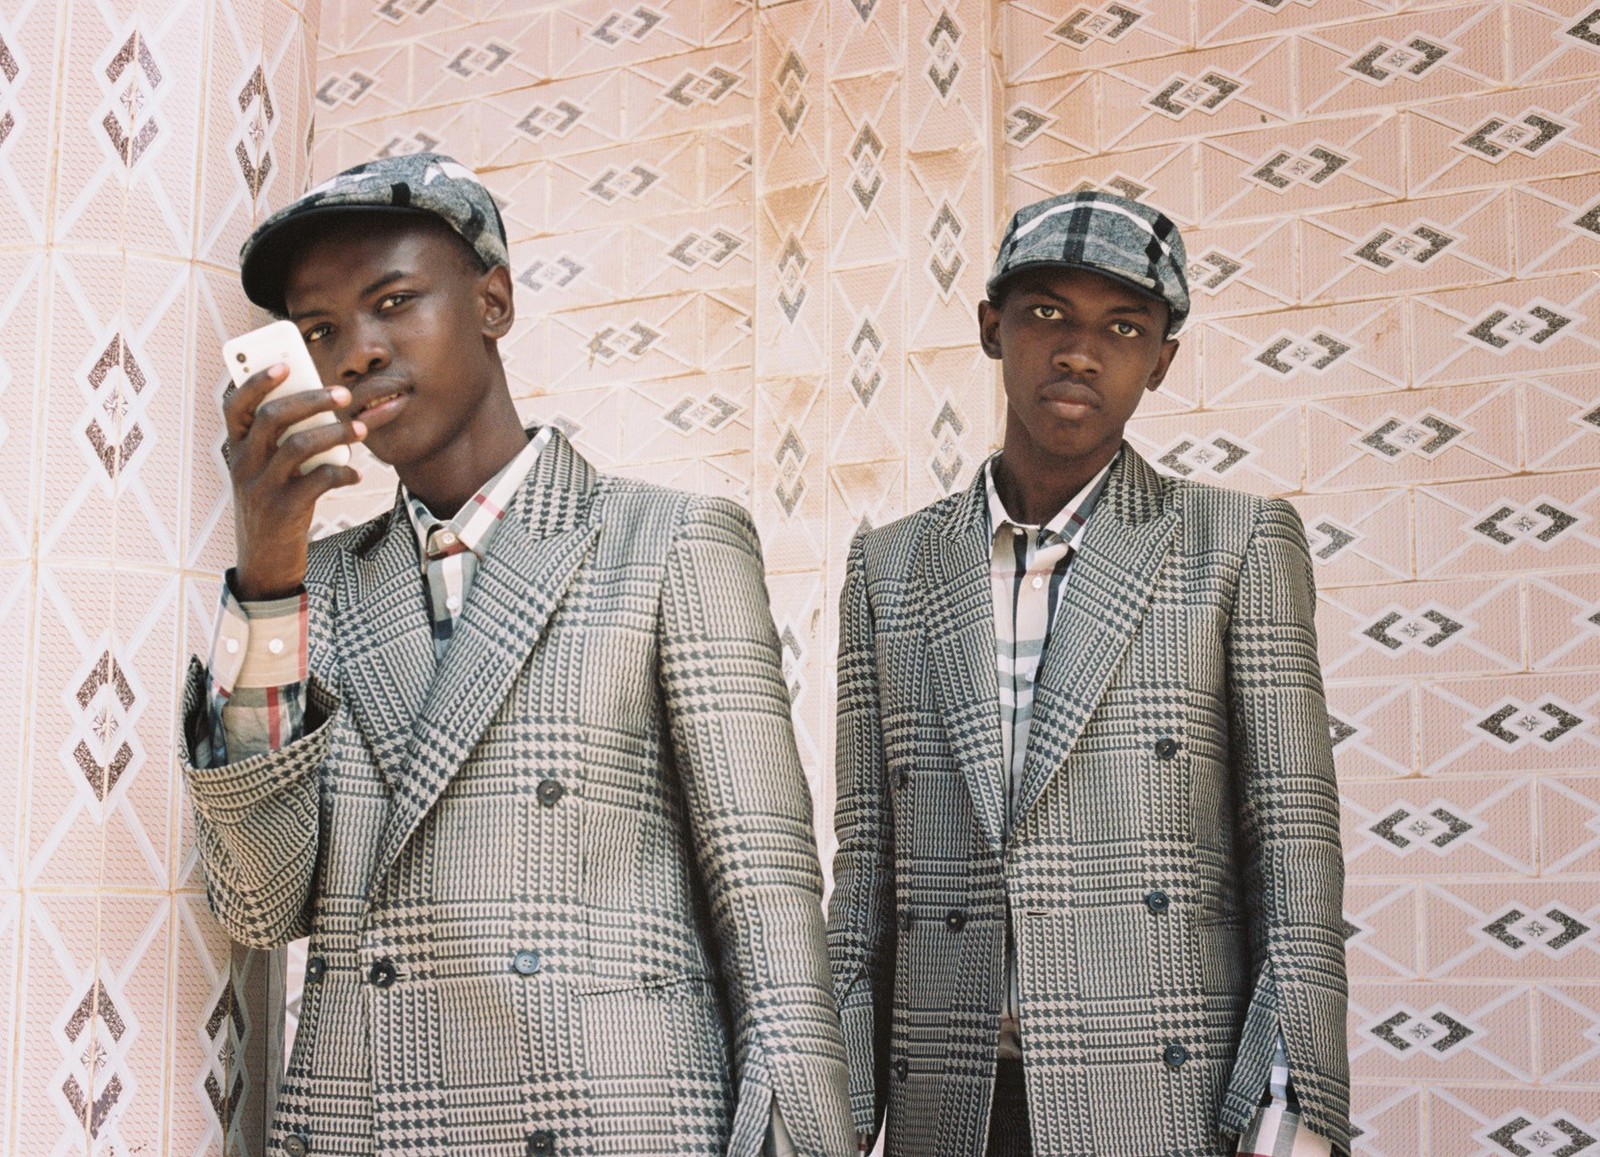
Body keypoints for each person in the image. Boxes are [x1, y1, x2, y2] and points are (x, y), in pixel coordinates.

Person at [180, 153, 852, 1157]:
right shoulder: (310, 583)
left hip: (613, 1119)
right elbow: (261, 901)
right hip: (368, 1121)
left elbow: (766, 898)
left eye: (393, 301)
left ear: (491, 300)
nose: (355, 352)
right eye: (321, 329)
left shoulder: (666, 540)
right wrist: (267, 571)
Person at [825, 191, 1350, 1157]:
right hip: (950, 1110)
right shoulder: (889, 568)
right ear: (992, 326)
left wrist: (1283, 1117)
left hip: (1160, 1102)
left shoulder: (1235, 549)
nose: (1079, 350)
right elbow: (865, 887)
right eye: (1047, 313)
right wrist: (830, 1123)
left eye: (1122, 325)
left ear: (1163, 358)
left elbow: (1295, 861)